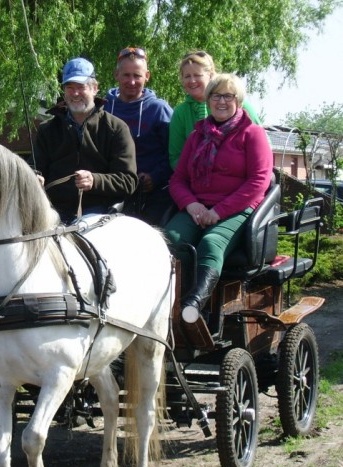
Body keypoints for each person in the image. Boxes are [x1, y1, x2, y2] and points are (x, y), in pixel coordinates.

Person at [164, 73, 273, 323]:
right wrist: (191, 205)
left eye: (228, 96)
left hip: (238, 208)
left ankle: (193, 307)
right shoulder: (196, 136)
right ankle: (166, 302)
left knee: (212, 243)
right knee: (168, 239)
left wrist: (219, 211)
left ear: (238, 100)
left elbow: (259, 181)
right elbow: (178, 179)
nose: (221, 101)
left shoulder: (252, 134)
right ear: (208, 99)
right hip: (198, 207)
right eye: (215, 95)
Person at [33, 57, 138, 224]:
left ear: (94, 88)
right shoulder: (47, 130)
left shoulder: (116, 128)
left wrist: (95, 180)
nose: (75, 93)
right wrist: (35, 178)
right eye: (70, 87)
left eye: (81, 87)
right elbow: (37, 169)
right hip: (53, 211)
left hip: (99, 212)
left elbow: (128, 181)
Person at [104, 47, 173, 226]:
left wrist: (155, 176)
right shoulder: (102, 109)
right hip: (109, 190)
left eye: (137, 75)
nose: (132, 81)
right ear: (116, 74)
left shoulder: (160, 110)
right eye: (126, 75)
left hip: (151, 194)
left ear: (147, 76)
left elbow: (174, 154)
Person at [169, 51, 262, 169]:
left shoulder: (236, 102)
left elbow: (262, 144)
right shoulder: (180, 113)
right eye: (187, 76)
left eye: (197, 75)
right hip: (195, 179)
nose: (192, 81)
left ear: (211, 75)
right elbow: (175, 157)